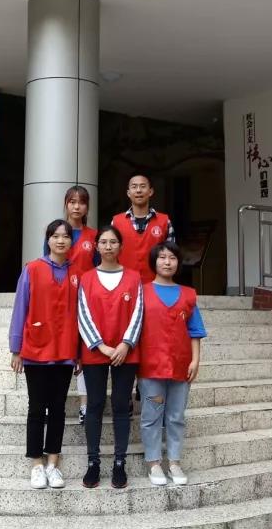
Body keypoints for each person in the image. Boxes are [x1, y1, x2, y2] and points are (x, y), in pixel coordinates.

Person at [9, 219, 80, 489]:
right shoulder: (32, 269)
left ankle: (53, 463)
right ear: (48, 239)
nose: (61, 240)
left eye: (66, 236)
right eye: (55, 236)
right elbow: (20, 308)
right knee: (37, 407)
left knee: (58, 408)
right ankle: (37, 464)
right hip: (36, 349)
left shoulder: (77, 273)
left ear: (71, 241)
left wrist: (79, 352)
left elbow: (81, 315)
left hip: (65, 349)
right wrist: (16, 348)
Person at [76, 225, 143, 489]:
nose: (108, 246)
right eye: (103, 242)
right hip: (95, 351)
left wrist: (126, 344)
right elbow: (82, 315)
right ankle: (93, 462)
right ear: (96, 246)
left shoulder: (134, 278)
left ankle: (119, 462)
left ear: (120, 246)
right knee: (94, 404)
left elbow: (138, 313)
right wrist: (101, 346)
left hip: (127, 351)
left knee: (121, 404)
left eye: (113, 242)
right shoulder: (86, 278)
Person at [137, 241, 206, 487]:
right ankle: (153, 462)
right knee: (151, 416)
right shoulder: (142, 292)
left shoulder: (188, 294)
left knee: (176, 416)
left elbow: (195, 331)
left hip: (181, 365)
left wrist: (195, 360)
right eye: (162, 257)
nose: (167, 262)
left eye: (172, 258)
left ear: (178, 263)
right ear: (154, 262)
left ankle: (174, 462)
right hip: (151, 366)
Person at [62, 185, 98, 424]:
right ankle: (54, 403)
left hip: (87, 300)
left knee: (85, 353)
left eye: (81, 202)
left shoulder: (93, 236)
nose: (76, 206)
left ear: (87, 207)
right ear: (66, 204)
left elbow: (98, 268)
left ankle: (85, 406)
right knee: (63, 350)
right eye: (72, 201)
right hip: (61, 299)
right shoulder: (57, 231)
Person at [111, 174, 175, 284]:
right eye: (134, 186)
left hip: (156, 285)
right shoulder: (116, 222)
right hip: (124, 285)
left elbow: (171, 256)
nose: (138, 190)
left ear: (150, 191)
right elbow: (110, 256)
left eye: (143, 186)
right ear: (128, 193)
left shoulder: (165, 222)